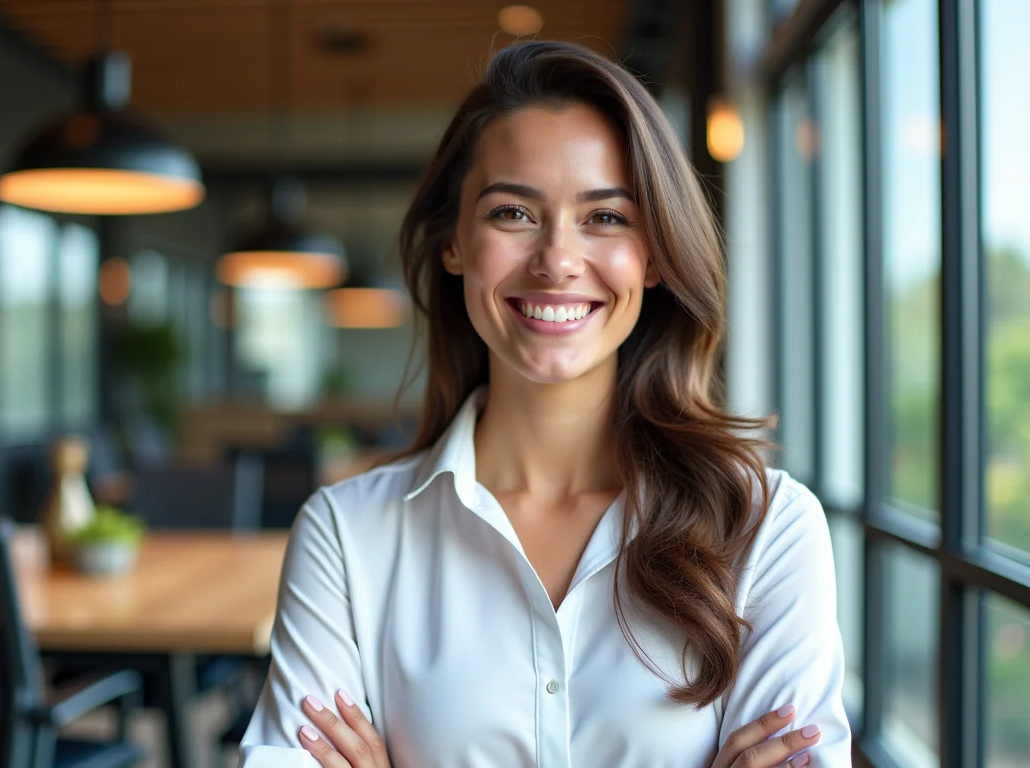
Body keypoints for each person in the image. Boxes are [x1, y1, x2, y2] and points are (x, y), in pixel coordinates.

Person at [238, 41, 851, 768]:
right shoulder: (346, 538)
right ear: (454, 243)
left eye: (606, 219)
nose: (557, 260)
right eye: (512, 212)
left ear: (653, 255)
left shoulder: (767, 529)